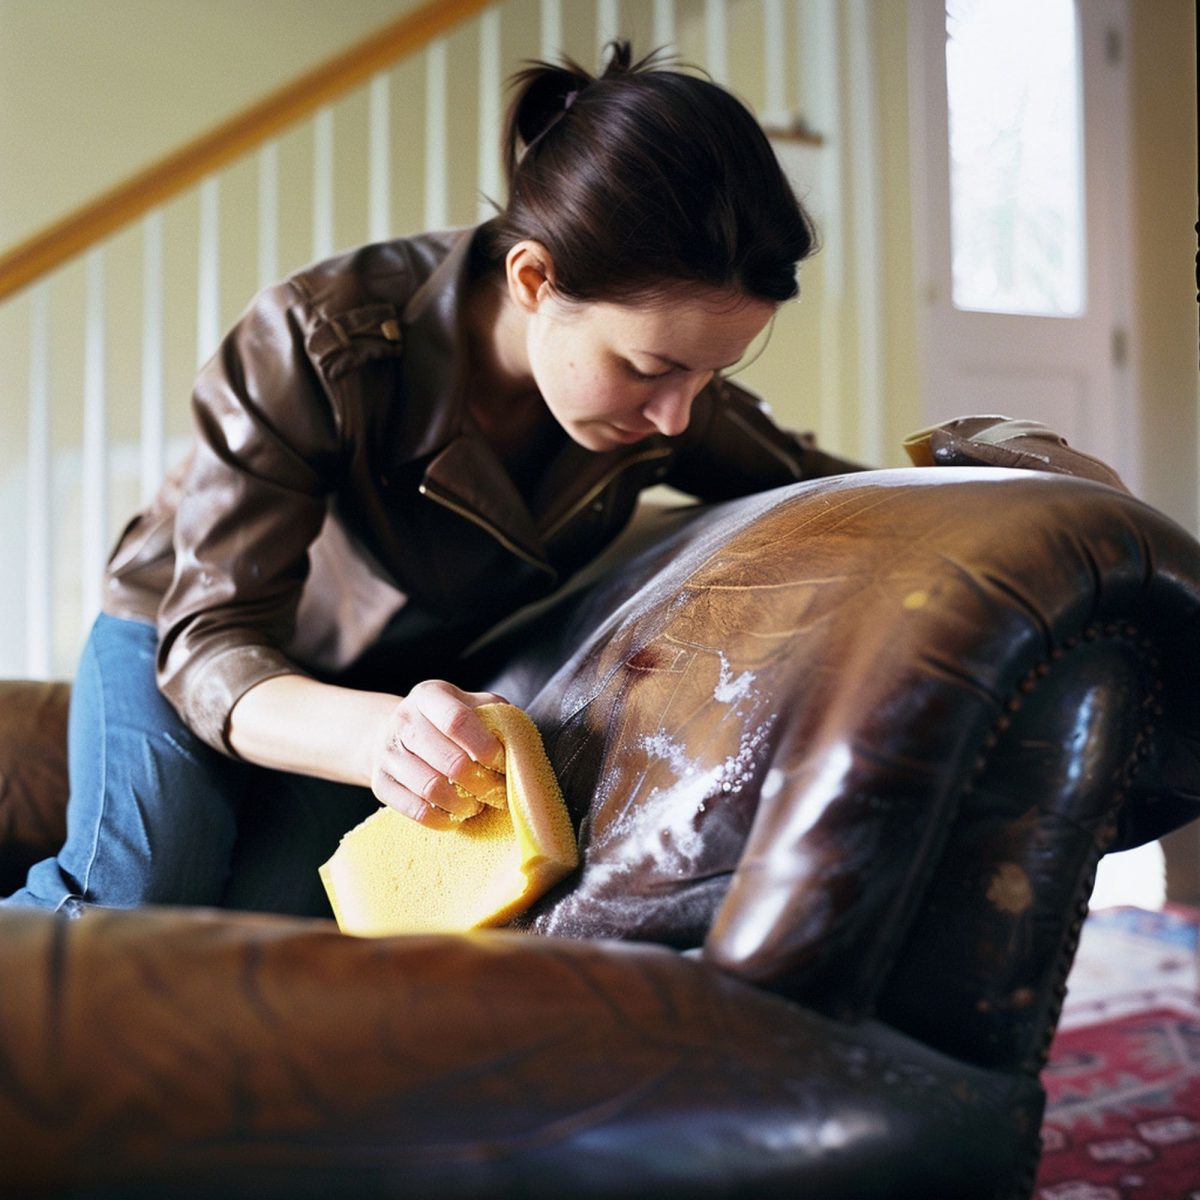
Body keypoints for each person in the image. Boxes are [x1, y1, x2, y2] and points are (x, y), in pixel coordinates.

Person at [1, 43, 1120, 917]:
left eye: (713, 375)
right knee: (137, 904)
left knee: (266, 942)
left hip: (398, 706)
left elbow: (841, 499)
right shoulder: (321, 337)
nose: (681, 418)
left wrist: (1003, 486)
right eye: (653, 366)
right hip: (190, 649)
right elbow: (210, 646)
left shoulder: (663, 406)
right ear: (534, 277)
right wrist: (379, 738)